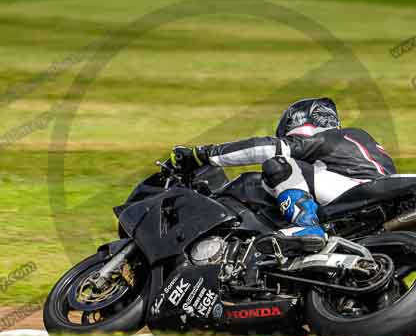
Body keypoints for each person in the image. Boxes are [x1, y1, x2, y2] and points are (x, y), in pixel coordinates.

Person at [169, 97, 396, 251]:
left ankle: (307, 224)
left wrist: (204, 154)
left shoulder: (326, 138)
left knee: (279, 164)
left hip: (357, 191)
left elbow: (266, 148)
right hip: (375, 201)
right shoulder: (353, 141)